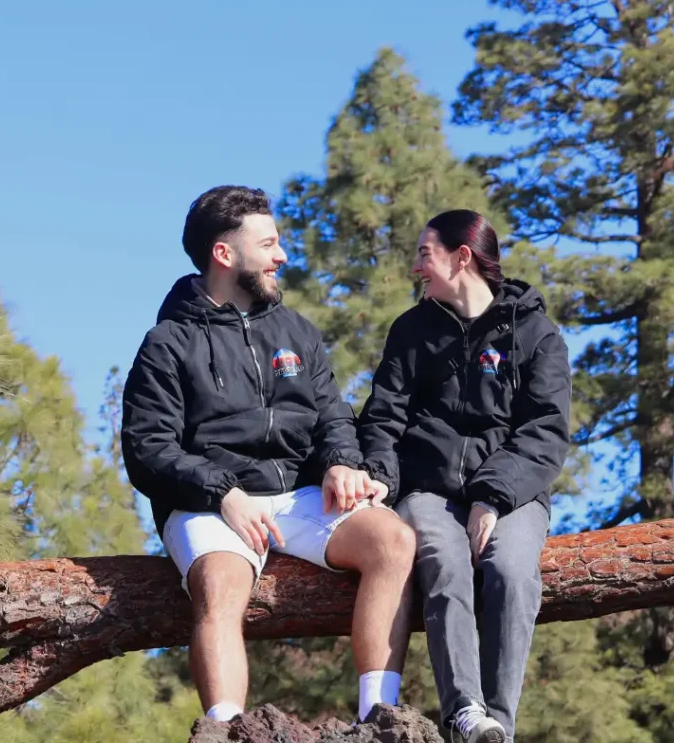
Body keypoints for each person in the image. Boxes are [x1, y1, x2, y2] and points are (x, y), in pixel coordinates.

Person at [122, 185, 416, 724]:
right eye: (270, 244)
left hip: (300, 497)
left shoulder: (297, 330)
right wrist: (223, 493)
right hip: (210, 503)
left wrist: (341, 465)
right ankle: (226, 729)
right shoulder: (166, 343)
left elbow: (332, 415)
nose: (282, 256)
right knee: (220, 583)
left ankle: (379, 721)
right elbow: (147, 449)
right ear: (225, 254)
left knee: (393, 541)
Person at [358, 210, 571, 743]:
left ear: (462, 257)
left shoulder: (538, 333)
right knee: (446, 566)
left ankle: (498, 726)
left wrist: (492, 496)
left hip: (514, 494)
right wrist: (381, 477)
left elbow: (546, 430)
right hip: (426, 489)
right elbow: (382, 417)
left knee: (512, 573)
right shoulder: (411, 330)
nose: (416, 267)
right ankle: (464, 712)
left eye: (425, 254)